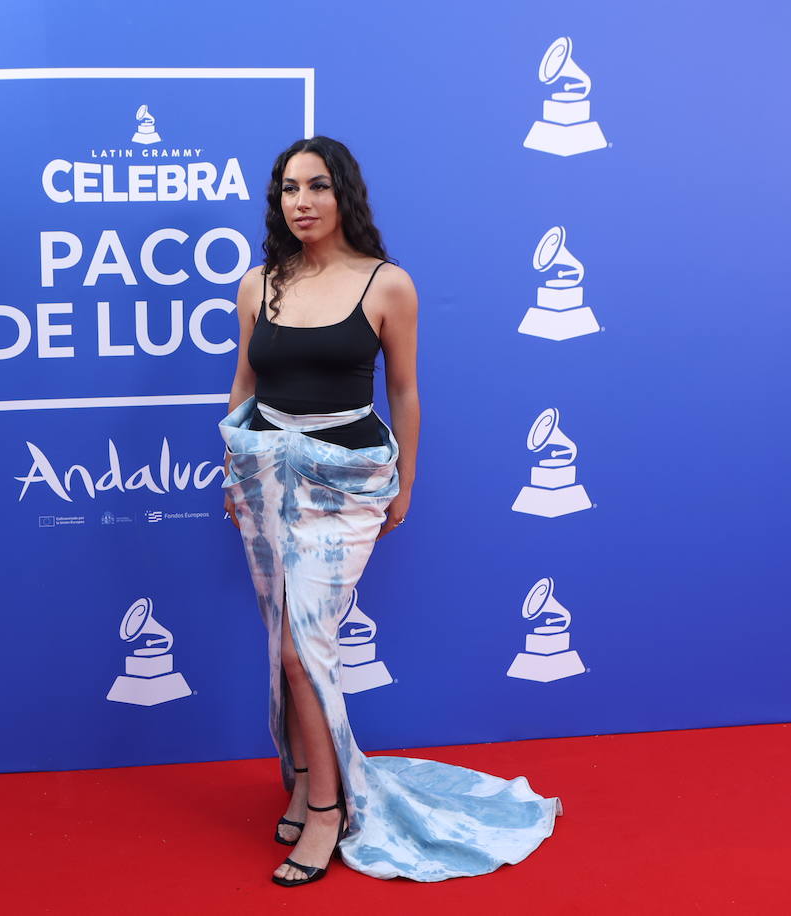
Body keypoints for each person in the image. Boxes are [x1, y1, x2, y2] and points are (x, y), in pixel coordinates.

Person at [220, 136, 560, 888]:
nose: (301, 202)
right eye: (288, 189)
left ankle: (327, 808)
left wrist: (405, 481)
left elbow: (403, 391)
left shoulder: (387, 284)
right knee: (282, 642)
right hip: (265, 477)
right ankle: (305, 777)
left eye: (316, 186)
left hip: (345, 484)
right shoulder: (258, 284)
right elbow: (245, 383)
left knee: (302, 651)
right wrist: (234, 471)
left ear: (344, 193)